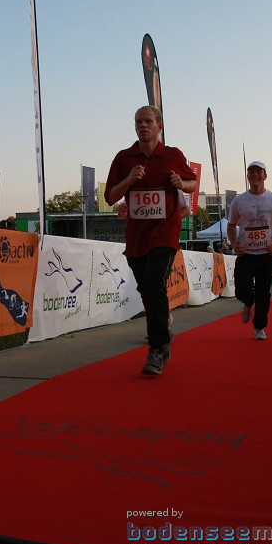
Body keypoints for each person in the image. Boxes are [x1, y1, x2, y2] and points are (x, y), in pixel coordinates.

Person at [105, 105, 196, 376]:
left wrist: (181, 183)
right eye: (138, 122)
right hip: (136, 237)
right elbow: (110, 196)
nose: (142, 126)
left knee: (154, 283)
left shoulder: (173, 155)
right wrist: (130, 180)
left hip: (165, 233)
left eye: (147, 121)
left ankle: (158, 349)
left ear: (159, 126)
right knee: (147, 289)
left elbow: (192, 184)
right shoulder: (124, 158)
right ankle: (163, 323)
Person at [227, 161, 272, 340]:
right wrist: (233, 243)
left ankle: (259, 327)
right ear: (247, 176)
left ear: (265, 176)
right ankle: (248, 302)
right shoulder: (239, 201)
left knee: (263, 293)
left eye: (258, 172)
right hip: (245, 254)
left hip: (267, 255)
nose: (254, 175)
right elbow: (231, 225)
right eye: (251, 172)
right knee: (241, 289)